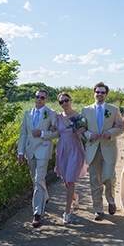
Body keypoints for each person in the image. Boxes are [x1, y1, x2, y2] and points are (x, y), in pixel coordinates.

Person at [80, 82, 124, 221]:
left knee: (109, 176)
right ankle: (98, 209)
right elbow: (80, 128)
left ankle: (110, 200)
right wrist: (88, 135)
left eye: (103, 92)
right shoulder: (86, 110)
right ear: (94, 93)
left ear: (106, 94)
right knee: (94, 180)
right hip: (93, 148)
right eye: (97, 92)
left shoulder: (113, 109)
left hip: (109, 147)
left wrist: (110, 133)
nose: (100, 94)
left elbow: (121, 127)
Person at [17, 89, 59, 227]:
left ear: (46, 99)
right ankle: (45, 196)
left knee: (39, 178)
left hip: (43, 150)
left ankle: (37, 214)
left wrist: (41, 133)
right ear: (34, 98)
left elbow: (57, 132)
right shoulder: (27, 113)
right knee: (35, 180)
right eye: (37, 97)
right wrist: (20, 152)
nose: (39, 99)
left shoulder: (51, 114)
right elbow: (23, 133)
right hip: (30, 151)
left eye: (42, 97)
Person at [53, 92, 87, 224]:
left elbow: (84, 131)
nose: (64, 103)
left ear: (71, 101)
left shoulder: (79, 116)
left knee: (71, 178)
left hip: (75, 148)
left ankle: (67, 211)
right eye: (61, 102)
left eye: (66, 100)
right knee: (65, 180)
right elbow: (54, 130)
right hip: (62, 148)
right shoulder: (58, 117)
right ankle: (74, 197)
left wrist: (82, 129)